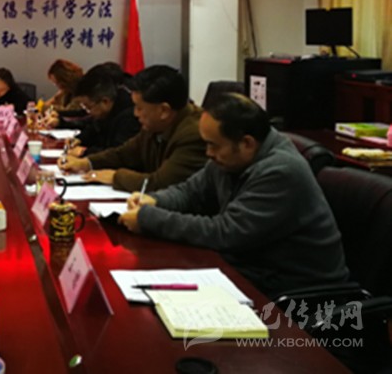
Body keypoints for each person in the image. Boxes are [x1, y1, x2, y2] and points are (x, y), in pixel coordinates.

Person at [118, 94, 349, 298]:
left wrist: (149, 218)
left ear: (246, 143)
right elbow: (191, 192)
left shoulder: (280, 171)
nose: (208, 153)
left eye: (213, 146)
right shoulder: (231, 156)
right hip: (253, 272)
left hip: (296, 293)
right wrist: (156, 200)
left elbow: (226, 233)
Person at [59, 65, 207, 192]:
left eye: (139, 108)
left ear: (164, 110)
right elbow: (124, 153)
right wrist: (86, 163)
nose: (135, 113)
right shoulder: (155, 125)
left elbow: (160, 183)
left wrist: (115, 177)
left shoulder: (195, 134)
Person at [66, 63, 140, 156]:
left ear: (105, 101)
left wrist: (84, 152)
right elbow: (94, 128)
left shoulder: (129, 115)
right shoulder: (105, 111)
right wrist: (79, 139)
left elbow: (118, 153)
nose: (88, 112)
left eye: (88, 107)